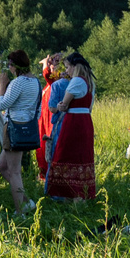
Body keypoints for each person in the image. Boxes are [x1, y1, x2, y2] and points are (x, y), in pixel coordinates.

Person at [44, 53, 97, 200]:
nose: (66, 71)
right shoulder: (90, 83)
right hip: (85, 120)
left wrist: (61, 105)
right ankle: (82, 192)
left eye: (68, 67)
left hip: (73, 121)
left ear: (75, 67)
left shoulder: (76, 82)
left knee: (65, 154)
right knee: (82, 156)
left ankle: (63, 194)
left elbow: (63, 105)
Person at [0, 51, 38, 209]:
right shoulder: (35, 82)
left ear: (15, 65)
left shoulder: (18, 82)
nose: (9, 68)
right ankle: (26, 201)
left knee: (14, 172)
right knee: (1, 166)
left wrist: (2, 87)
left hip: (14, 128)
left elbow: (1, 105)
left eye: (10, 65)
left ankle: (21, 210)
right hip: (26, 126)